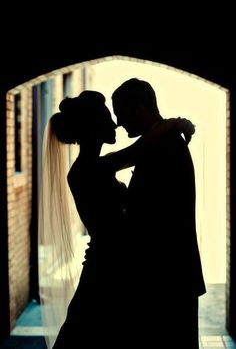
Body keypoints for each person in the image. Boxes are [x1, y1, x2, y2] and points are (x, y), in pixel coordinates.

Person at [38, 90, 196, 349]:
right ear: (92, 129)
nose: (115, 124)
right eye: (107, 119)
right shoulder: (88, 170)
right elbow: (138, 150)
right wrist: (174, 123)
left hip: (113, 267)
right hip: (106, 270)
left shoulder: (96, 167)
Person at [111, 78, 206, 349]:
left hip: (167, 276)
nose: (119, 121)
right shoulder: (162, 141)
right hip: (169, 274)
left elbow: (157, 218)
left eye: (121, 112)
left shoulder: (165, 146)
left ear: (140, 108)